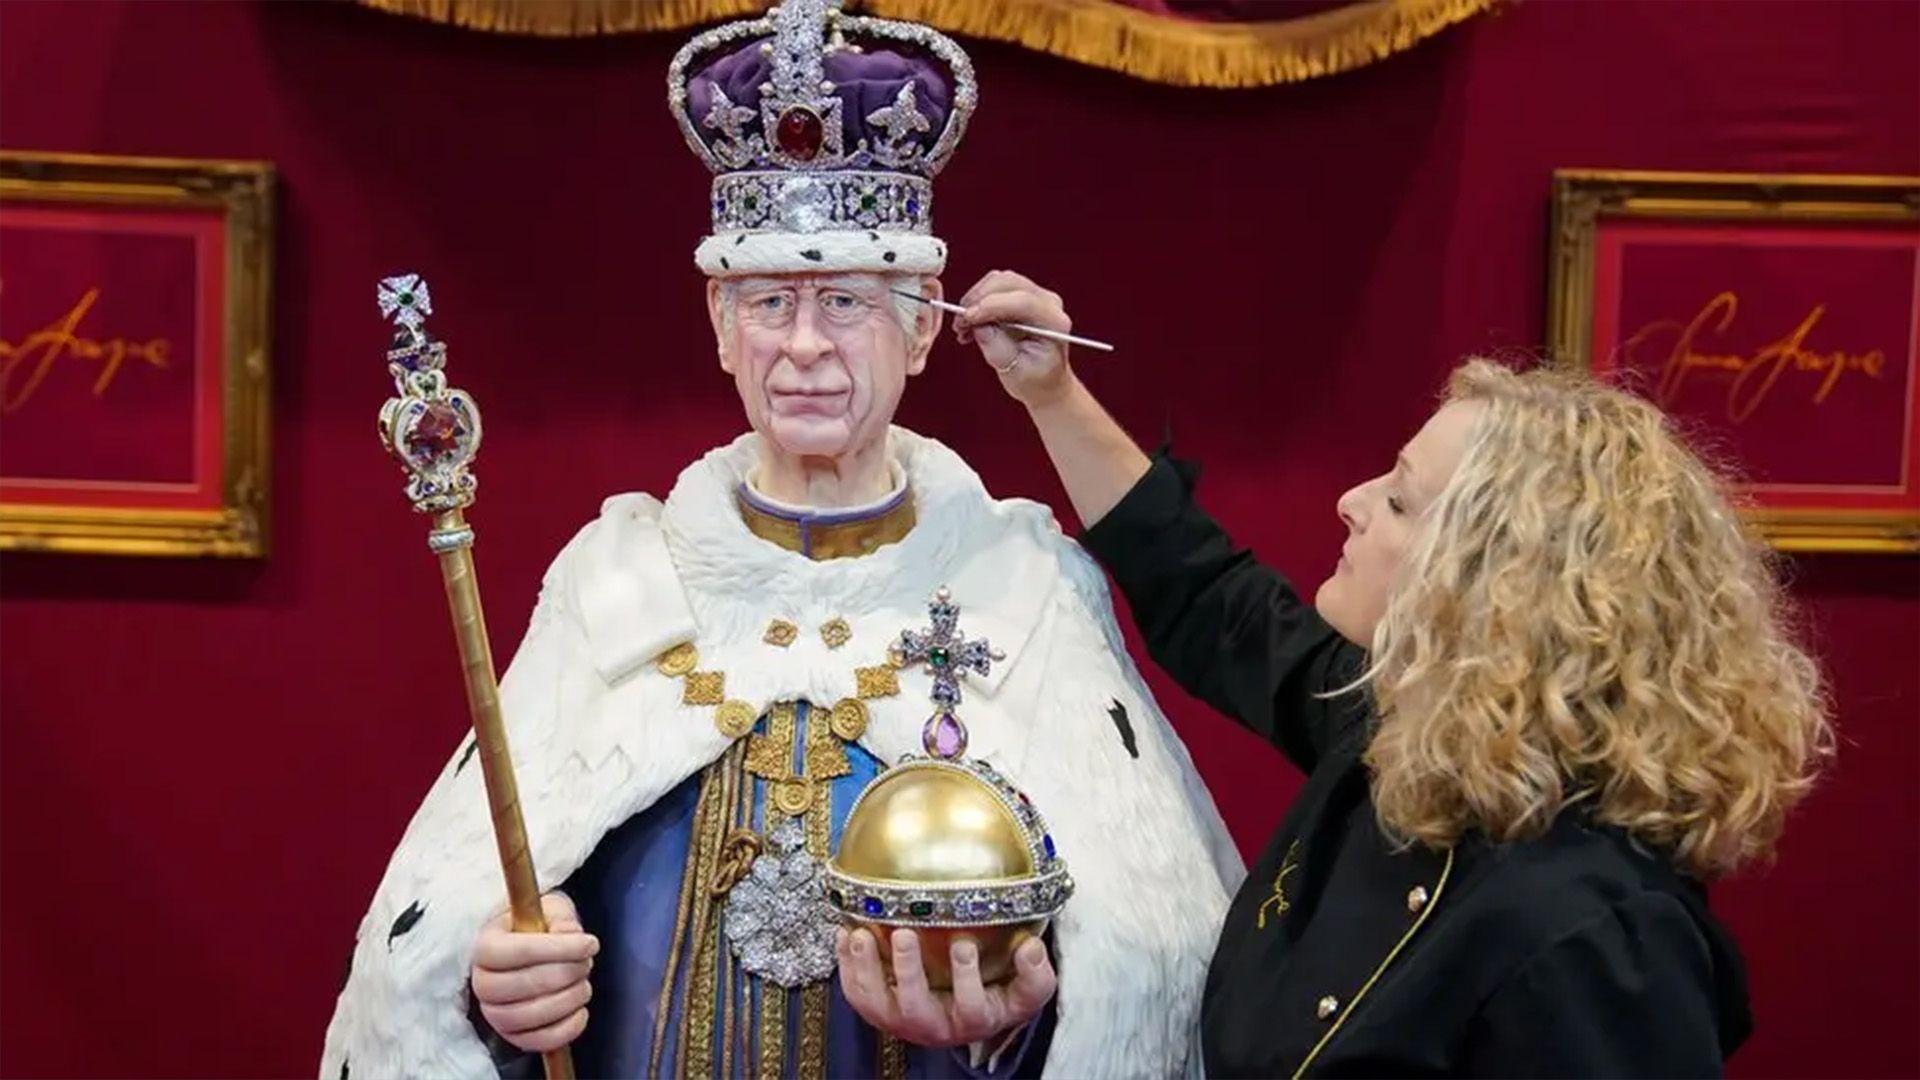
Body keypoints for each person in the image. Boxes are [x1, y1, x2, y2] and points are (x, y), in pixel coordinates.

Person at [319, 8, 1237, 1080]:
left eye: (846, 301)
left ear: (924, 329)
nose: (804, 347)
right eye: (769, 302)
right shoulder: (616, 582)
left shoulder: (1020, 588)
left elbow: (1145, 960)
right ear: (719, 323)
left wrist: (1013, 1021)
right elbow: (458, 931)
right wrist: (499, 994)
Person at [952, 270, 1834, 1077]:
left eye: (1401, 499)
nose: (1355, 501)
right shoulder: (1408, 741)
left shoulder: (1594, 934)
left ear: (1494, 583)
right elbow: (1210, 599)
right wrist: (1052, 391)